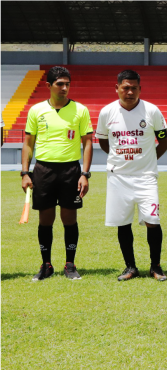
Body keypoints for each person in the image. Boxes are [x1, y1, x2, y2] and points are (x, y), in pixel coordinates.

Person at [21, 66, 93, 281]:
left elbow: (88, 143)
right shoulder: (36, 110)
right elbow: (28, 143)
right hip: (43, 170)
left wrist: (85, 174)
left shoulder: (80, 110)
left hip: (71, 170)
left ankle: (70, 264)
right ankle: (46, 265)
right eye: (59, 84)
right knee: (46, 219)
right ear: (48, 86)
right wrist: (25, 172)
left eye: (67, 84)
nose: (64, 88)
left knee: (69, 218)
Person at [96, 69, 167, 282]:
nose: (129, 92)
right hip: (118, 177)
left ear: (140, 88)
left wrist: (149, 159)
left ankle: (155, 266)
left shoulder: (152, 111)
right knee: (123, 222)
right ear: (117, 88)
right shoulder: (107, 112)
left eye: (134, 88)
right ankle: (130, 267)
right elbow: (103, 141)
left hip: (146, 176)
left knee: (152, 221)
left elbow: (163, 141)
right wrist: (119, 157)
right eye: (125, 88)